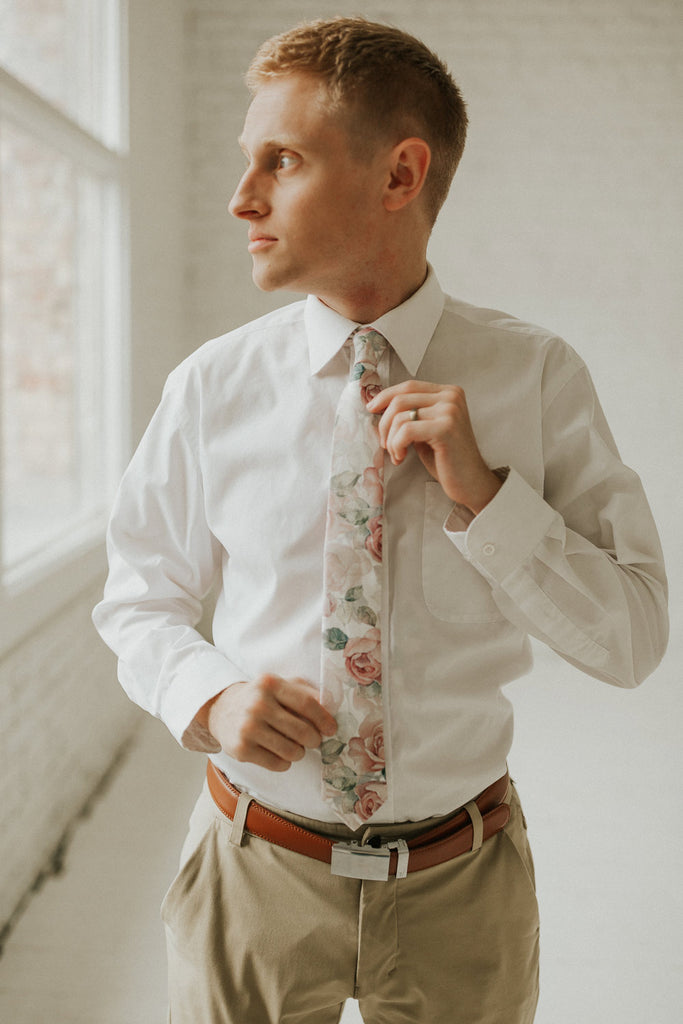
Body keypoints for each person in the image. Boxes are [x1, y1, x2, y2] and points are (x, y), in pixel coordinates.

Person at [93, 16, 668, 1024]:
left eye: (282, 160)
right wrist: (209, 696)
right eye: (244, 161)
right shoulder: (211, 387)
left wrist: (486, 499)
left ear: (399, 176)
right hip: (252, 872)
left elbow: (628, 638)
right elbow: (138, 600)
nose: (241, 198)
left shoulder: (533, 379)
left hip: (463, 887)